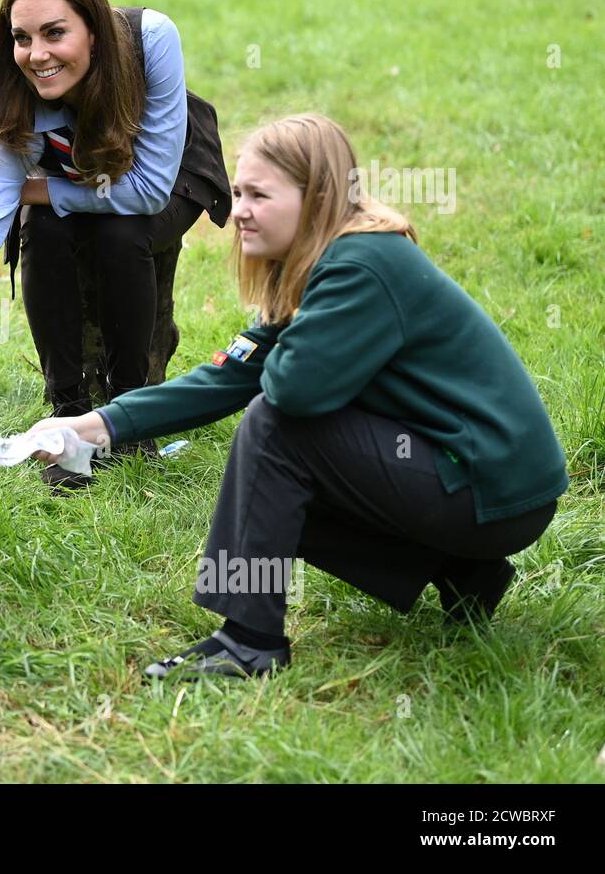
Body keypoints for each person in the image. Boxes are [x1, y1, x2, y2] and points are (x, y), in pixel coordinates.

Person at [28, 114, 567, 679]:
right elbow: (229, 376)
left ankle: (248, 640)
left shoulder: (360, 266)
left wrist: (278, 325)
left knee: (275, 430)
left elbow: (288, 390)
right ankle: (458, 570)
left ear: (318, 200)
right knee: (273, 492)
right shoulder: (327, 261)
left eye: (259, 195)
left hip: (491, 489)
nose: (238, 212)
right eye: (237, 193)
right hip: (486, 489)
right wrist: (90, 427)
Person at [0, 0, 228, 485]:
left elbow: (145, 191)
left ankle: (128, 418)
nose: (37, 55)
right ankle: (66, 414)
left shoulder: (151, 38)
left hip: (169, 174)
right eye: (22, 38)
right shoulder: (15, 101)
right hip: (79, 169)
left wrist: (34, 188)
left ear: (93, 31)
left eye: (55, 33)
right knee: (42, 226)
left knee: (120, 231)